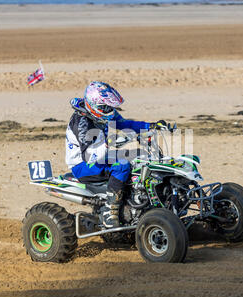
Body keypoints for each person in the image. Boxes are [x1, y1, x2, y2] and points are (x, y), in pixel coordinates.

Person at [65, 81, 168, 228]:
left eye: (110, 107)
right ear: (94, 105)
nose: (109, 110)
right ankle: (109, 211)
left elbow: (126, 124)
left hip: (101, 155)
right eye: (105, 107)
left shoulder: (104, 115)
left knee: (141, 156)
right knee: (122, 165)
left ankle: (141, 202)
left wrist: (150, 126)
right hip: (83, 164)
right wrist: (110, 144)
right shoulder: (82, 123)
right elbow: (88, 155)